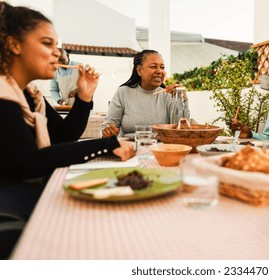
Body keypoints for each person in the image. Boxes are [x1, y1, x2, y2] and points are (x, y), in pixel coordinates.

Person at [0, 3, 135, 223]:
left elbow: (64, 136)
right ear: (14, 45)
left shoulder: (30, 96)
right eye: (46, 43)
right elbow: (28, 163)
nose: (57, 52)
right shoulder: (3, 95)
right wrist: (107, 144)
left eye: (57, 45)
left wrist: (84, 97)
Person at [101, 50, 190, 138]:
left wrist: (182, 100)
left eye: (162, 67)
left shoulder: (169, 95)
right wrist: (108, 132)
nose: (159, 71)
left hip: (160, 148)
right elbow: (107, 127)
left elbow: (182, 129)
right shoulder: (123, 92)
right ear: (139, 70)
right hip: (129, 148)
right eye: (153, 67)